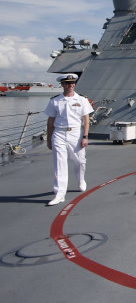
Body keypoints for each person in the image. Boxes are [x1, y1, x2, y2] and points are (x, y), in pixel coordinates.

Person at [44, 74, 94, 206]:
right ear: (62, 84)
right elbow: (50, 121)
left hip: (76, 133)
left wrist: (85, 136)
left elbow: (86, 119)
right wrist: (49, 139)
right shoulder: (55, 101)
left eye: (72, 83)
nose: (71, 85)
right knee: (59, 165)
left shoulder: (82, 100)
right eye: (67, 83)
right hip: (59, 133)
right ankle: (59, 194)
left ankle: (80, 179)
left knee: (80, 161)